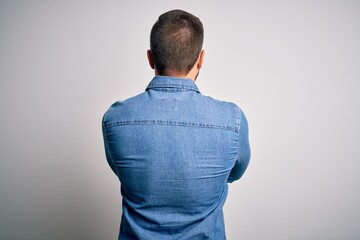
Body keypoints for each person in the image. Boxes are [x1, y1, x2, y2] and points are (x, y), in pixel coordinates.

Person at [102, 9, 251, 240]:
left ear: (150, 58)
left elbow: (119, 169)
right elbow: (235, 172)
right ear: (201, 59)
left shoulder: (115, 119)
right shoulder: (232, 121)